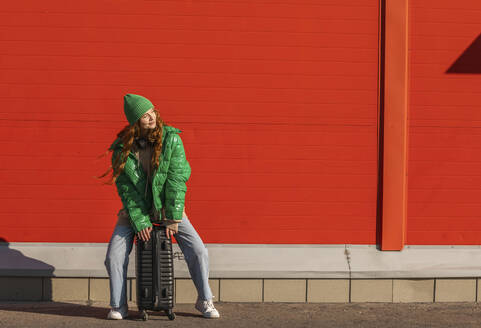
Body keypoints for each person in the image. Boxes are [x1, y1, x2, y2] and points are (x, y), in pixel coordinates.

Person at [100, 93, 220, 320]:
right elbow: (126, 189)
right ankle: (118, 306)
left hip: (168, 208)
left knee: (198, 250)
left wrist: (174, 217)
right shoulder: (122, 150)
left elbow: (177, 179)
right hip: (136, 211)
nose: (151, 117)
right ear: (135, 122)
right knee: (113, 256)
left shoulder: (171, 139)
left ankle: (205, 300)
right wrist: (140, 219)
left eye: (151, 111)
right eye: (144, 116)